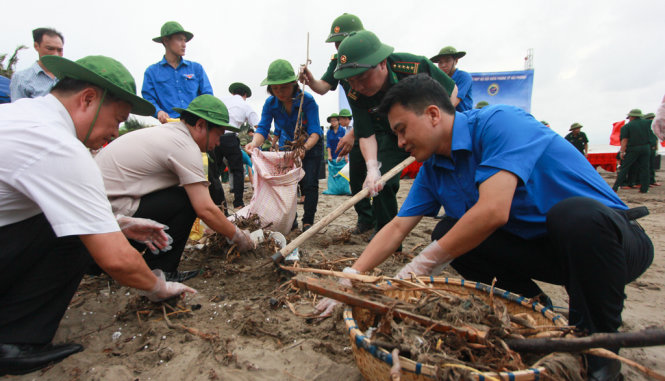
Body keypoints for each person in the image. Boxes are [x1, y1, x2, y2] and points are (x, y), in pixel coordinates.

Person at [318, 74, 653, 381]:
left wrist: (422, 263)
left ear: (433, 114)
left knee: (574, 215)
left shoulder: (500, 123)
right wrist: (350, 276)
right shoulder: (433, 168)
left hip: (610, 245)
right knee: (447, 231)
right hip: (547, 253)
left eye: (403, 129)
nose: (401, 142)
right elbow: (396, 227)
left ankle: (600, 357)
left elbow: (493, 211)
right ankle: (532, 314)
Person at [0, 55, 197, 375]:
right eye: (117, 120)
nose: (116, 133)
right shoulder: (59, 145)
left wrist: (119, 223)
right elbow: (116, 260)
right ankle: (15, 339)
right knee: (78, 234)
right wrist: (159, 287)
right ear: (88, 99)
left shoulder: (22, 115)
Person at [95, 94, 255, 281]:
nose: (218, 143)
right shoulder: (185, 145)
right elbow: (204, 209)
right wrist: (238, 236)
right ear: (201, 125)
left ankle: (137, 261)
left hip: (101, 217)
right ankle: (162, 270)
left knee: (182, 195)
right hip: (109, 222)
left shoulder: (170, 133)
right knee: (186, 200)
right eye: (218, 135)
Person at [332, 30, 458, 237]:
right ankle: (387, 236)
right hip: (391, 134)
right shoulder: (354, 89)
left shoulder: (413, 68)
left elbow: (451, 94)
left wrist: (433, 130)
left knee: (449, 175)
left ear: (382, 63)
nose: (357, 86)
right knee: (382, 182)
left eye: (362, 78)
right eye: (351, 81)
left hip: (434, 129)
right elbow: (365, 134)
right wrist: (372, 168)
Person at [299, 14, 374, 234]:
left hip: (379, 124)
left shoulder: (373, 57)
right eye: (336, 42)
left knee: (381, 175)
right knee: (357, 173)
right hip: (361, 127)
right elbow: (323, 87)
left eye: (342, 41)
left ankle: (383, 222)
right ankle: (366, 219)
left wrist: (352, 133)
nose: (339, 46)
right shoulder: (337, 61)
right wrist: (310, 80)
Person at [245, 59, 323, 232]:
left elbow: (315, 131)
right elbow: (263, 129)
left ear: (294, 84)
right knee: (289, 184)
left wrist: (304, 149)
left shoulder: (307, 101)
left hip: (311, 144)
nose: (280, 92)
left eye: (284, 87)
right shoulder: (270, 104)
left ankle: (308, 221)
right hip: (288, 145)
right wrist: (254, 143)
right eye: (275, 88)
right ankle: (291, 220)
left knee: (309, 183)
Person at [142, 21, 213, 124]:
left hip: (195, 125)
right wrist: (159, 112)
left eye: (185, 40)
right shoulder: (152, 72)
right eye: (180, 39)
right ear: (166, 41)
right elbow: (148, 98)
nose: (184, 45)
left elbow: (207, 96)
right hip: (169, 126)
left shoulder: (196, 68)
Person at [208, 82, 260, 210]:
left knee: (214, 171)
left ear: (232, 93)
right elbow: (257, 126)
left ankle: (213, 202)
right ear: (245, 95)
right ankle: (238, 202)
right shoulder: (245, 105)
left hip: (215, 135)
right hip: (230, 138)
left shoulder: (222, 100)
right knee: (237, 171)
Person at [10, 27, 64, 101]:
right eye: (50, 49)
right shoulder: (21, 78)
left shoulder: (69, 77)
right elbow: (19, 110)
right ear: (36, 46)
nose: (55, 54)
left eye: (59, 50)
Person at [612, 109, 652, 193]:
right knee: (645, 168)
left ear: (632, 116)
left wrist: (622, 152)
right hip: (646, 147)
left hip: (633, 148)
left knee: (625, 167)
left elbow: (624, 140)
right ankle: (644, 189)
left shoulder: (626, 126)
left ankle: (615, 187)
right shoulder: (648, 123)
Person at [430, 46, 473, 111]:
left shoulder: (464, 77)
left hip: (463, 116)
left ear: (456, 61)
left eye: (447, 61)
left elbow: (453, 103)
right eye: (440, 62)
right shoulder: (437, 79)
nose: (443, 65)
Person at [643, 112, 661, 187]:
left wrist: (656, 147)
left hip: (652, 148)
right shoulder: (644, 128)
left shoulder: (654, 127)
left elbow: (656, 138)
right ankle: (647, 182)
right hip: (647, 148)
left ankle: (652, 181)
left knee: (652, 166)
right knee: (646, 166)